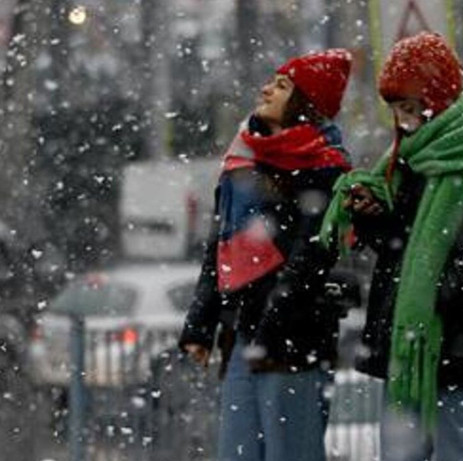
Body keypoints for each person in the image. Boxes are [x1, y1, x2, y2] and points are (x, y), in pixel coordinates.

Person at [320, 32, 463, 461]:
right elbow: (401, 245)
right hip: (408, 344)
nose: (403, 120)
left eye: (411, 108)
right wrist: (373, 214)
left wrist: (437, 291)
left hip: (457, 343)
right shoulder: (410, 156)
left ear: (438, 99)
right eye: (396, 109)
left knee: (458, 450)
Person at [179, 49, 353, 461]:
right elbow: (219, 247)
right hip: (243, 333)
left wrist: (274, 319)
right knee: (236, 452)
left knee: (291, 452)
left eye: (282, 86)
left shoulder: (325, 167)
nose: (266, 90)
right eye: (271, 81)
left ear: (306, 103)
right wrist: (200, 323)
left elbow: (313, 254)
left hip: (294, 338)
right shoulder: (242, 159)